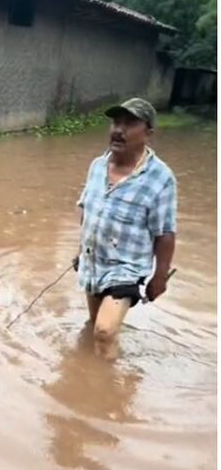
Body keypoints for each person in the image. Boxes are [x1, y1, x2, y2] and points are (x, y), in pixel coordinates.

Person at [74, 97, 176, 358]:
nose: (119, 130)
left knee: (104, 332)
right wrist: (80, 250)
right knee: (94, 324)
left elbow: (164, 232)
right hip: (93, 260)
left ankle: (109, 393)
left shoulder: (160, 178)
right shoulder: (97, 166)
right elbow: (87, 209)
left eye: (130, 124)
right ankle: (90, 373)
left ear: (148, 133)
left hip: (126, 267)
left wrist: (160, 276)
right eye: (116, 122)